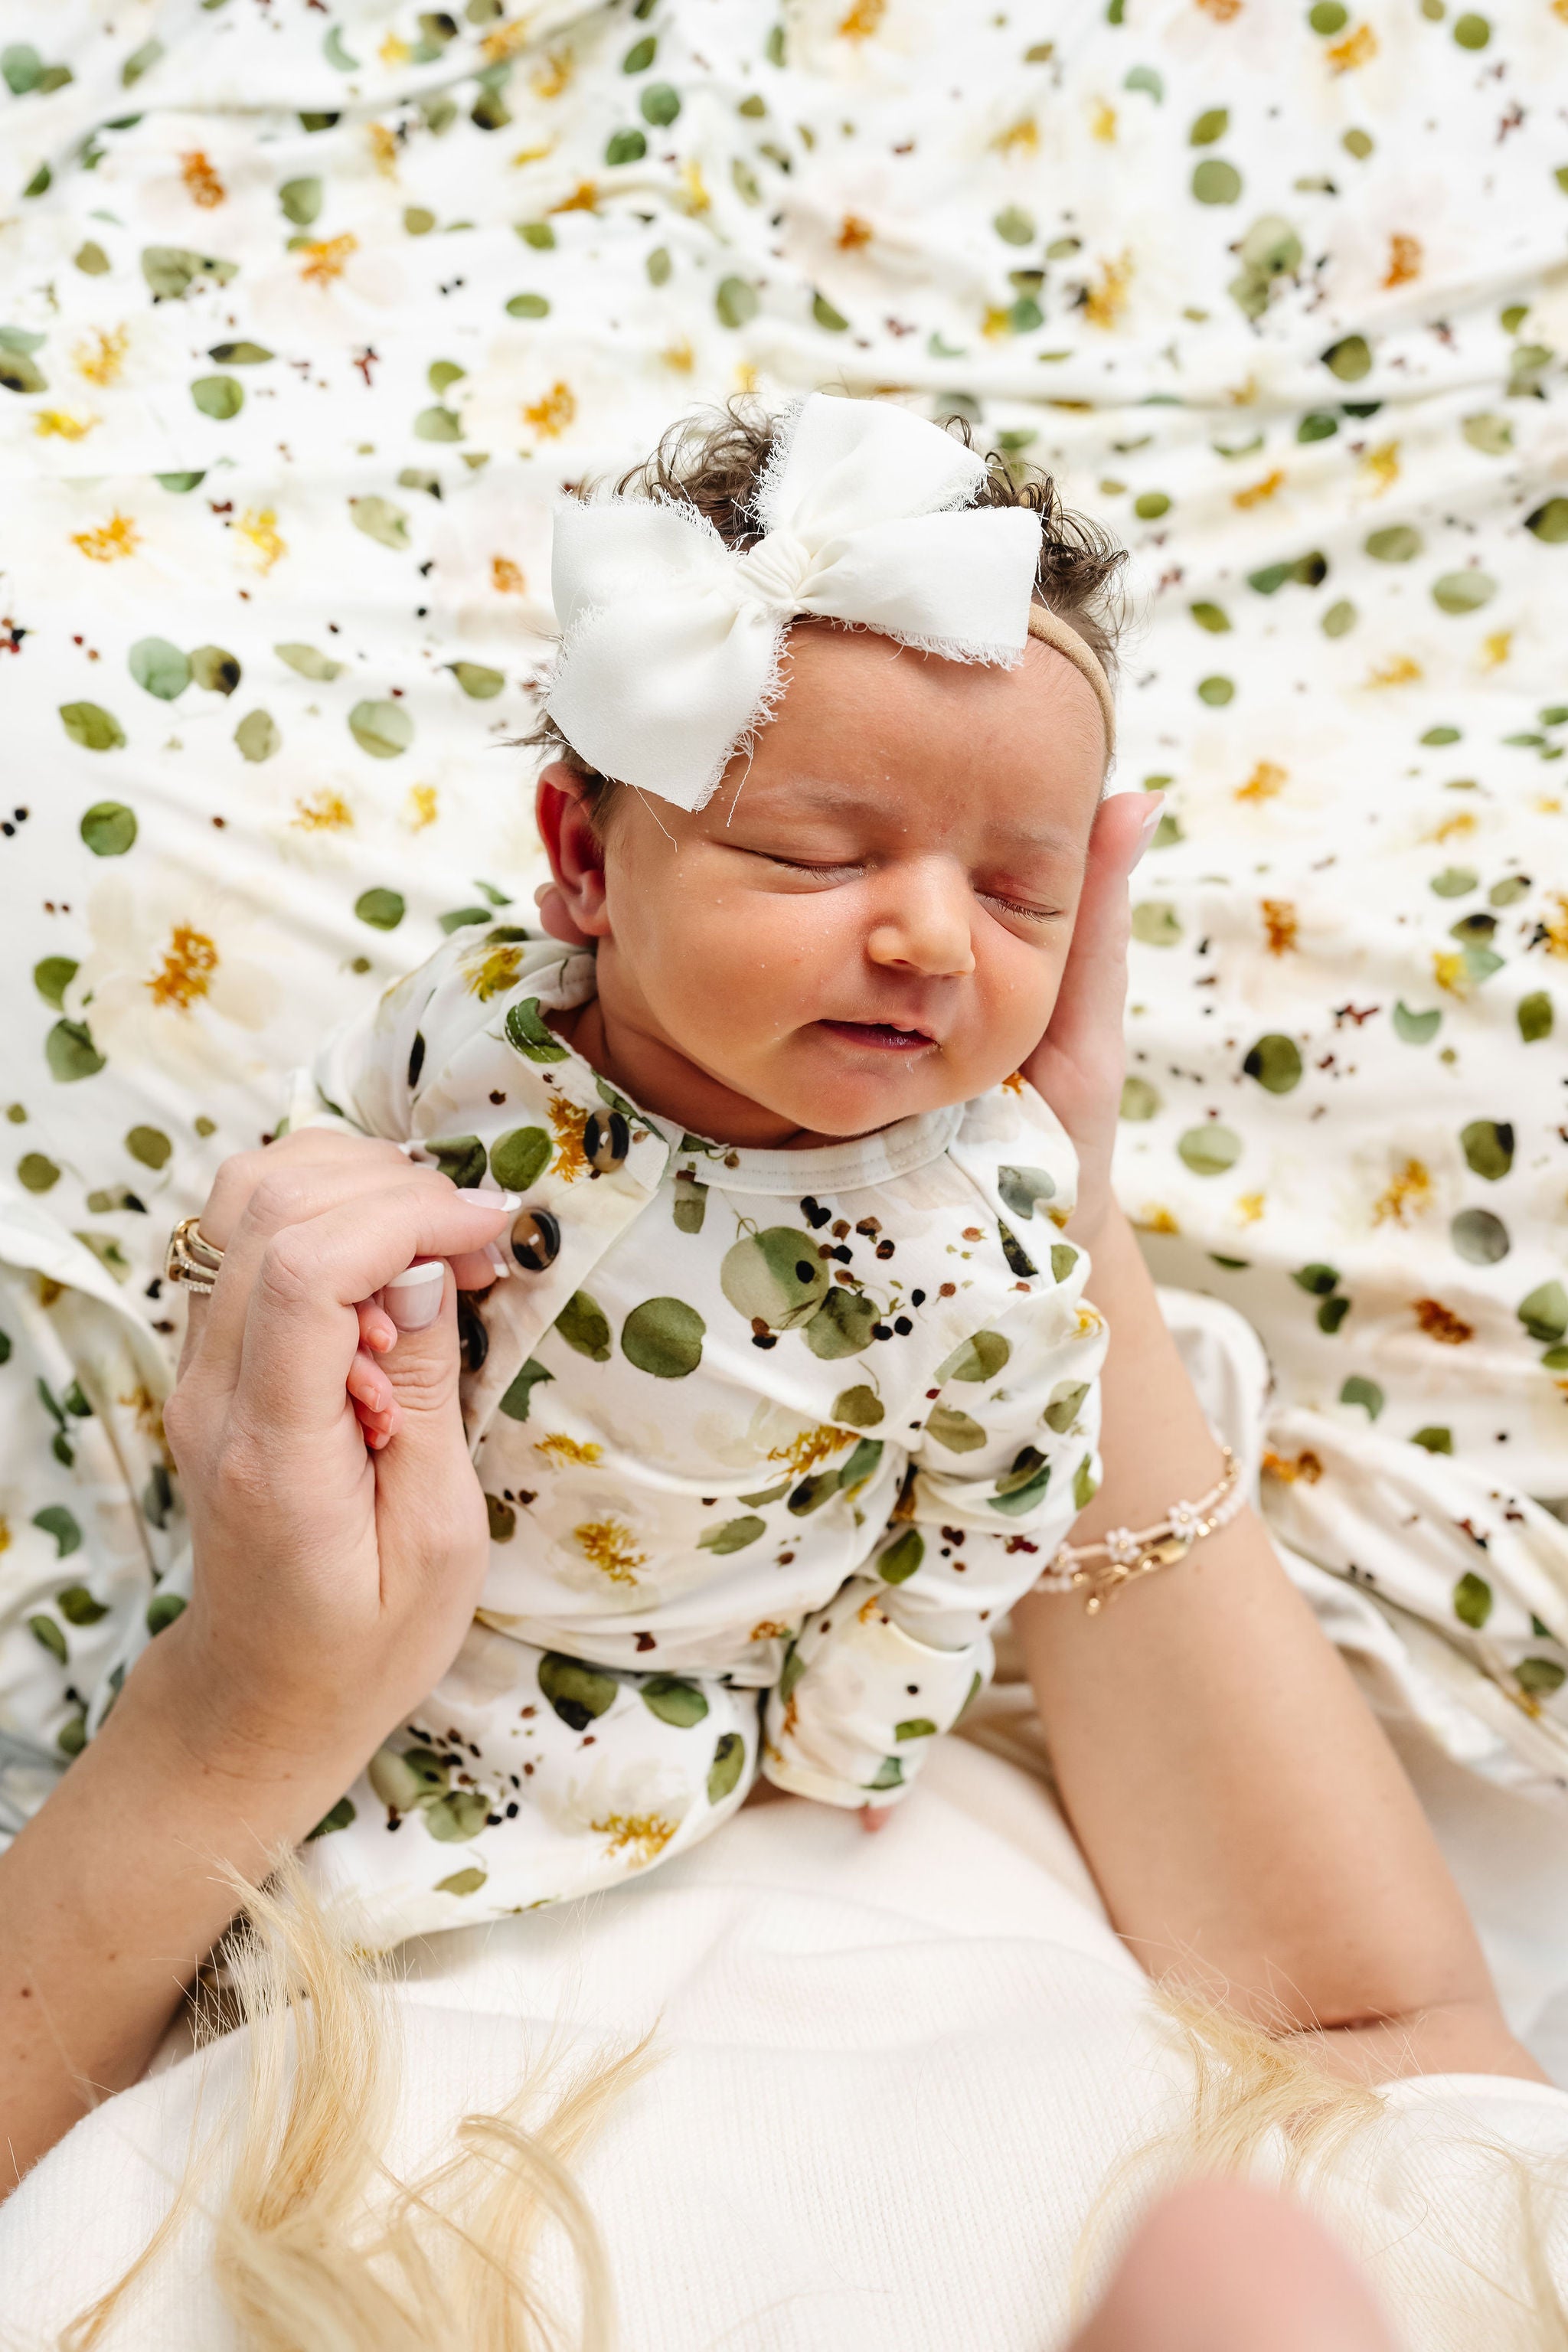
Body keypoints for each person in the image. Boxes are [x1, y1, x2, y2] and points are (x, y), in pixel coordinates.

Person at [0, 396, 1560, 2347]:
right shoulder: (485, 1032)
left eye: (1019, 894)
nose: (924, 938)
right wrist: (260, 1328)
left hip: (696, 1758)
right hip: (368, 1794)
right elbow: (349, 1130)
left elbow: (987, 1492)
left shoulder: (983, 1237)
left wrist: (861, 1728)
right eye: (817, 852)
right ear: (581, 862)